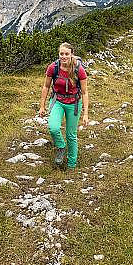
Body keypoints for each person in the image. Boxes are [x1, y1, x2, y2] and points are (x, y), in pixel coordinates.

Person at [37, 42, 89, 170]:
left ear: (72, 54)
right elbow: (46, 86)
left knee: (71, 135)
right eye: (61, 54)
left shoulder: (79, 70)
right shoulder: (53, 67)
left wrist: (85, 114)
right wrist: (42, 106)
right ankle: (61, 146)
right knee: (53, 128)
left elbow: (84, 92)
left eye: (66, 54)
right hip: (57, 101)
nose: (64, 56)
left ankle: (71, 165)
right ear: (58, 54)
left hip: (74, 103)